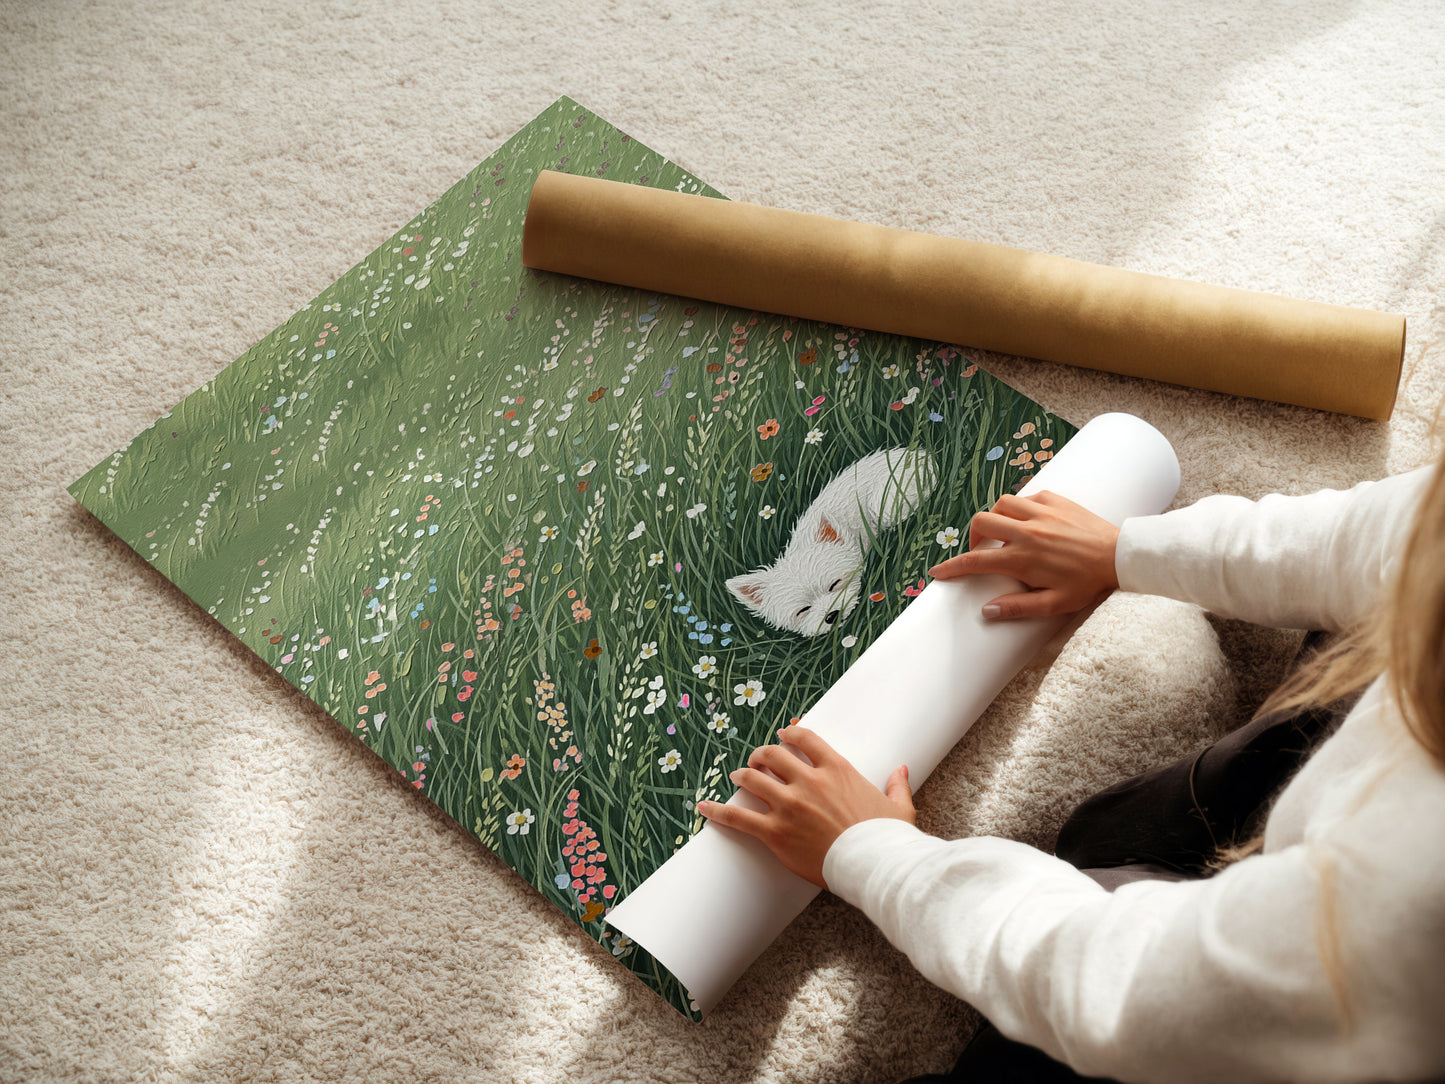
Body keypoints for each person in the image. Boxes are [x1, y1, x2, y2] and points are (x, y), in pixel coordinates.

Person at [697, 459, 1445, 1082]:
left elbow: (1124, 990)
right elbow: (1387, 534)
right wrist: (1124, 550)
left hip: (1318, 1011)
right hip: (1346, 830)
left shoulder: (1406, 900)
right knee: (1116, 831)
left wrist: (873, 854)